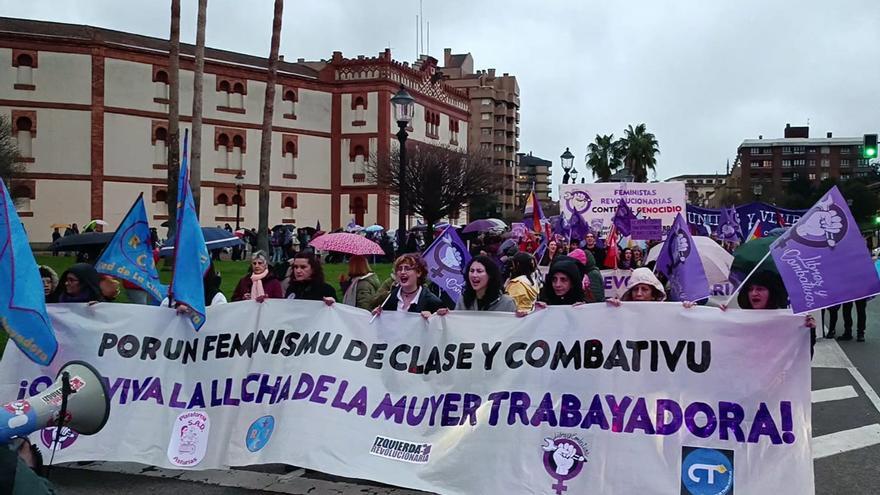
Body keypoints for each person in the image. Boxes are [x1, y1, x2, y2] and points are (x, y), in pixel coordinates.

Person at [727, 270, 816, 354]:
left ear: (772, 293)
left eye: (760, 289)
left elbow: (801, 356)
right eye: (750, 289)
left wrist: (809, 332)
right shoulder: (741, 320)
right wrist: (721, 316)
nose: (754, 293)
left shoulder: (787, 322)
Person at [373, 253, 444, 318]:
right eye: (399, 269)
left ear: (418, 273)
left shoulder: (432, 302)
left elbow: (439, 328)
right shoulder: (389, 298)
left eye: (407, 268)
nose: (402, 272)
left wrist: (432, 319)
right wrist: (377, 316)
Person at [451, 255, 516, 312]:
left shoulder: (507, 303)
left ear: (490, 275)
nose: (474, 275)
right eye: (472, 271)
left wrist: (522, 318)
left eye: (479, 271)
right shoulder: (462, 300)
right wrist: (444, 317)